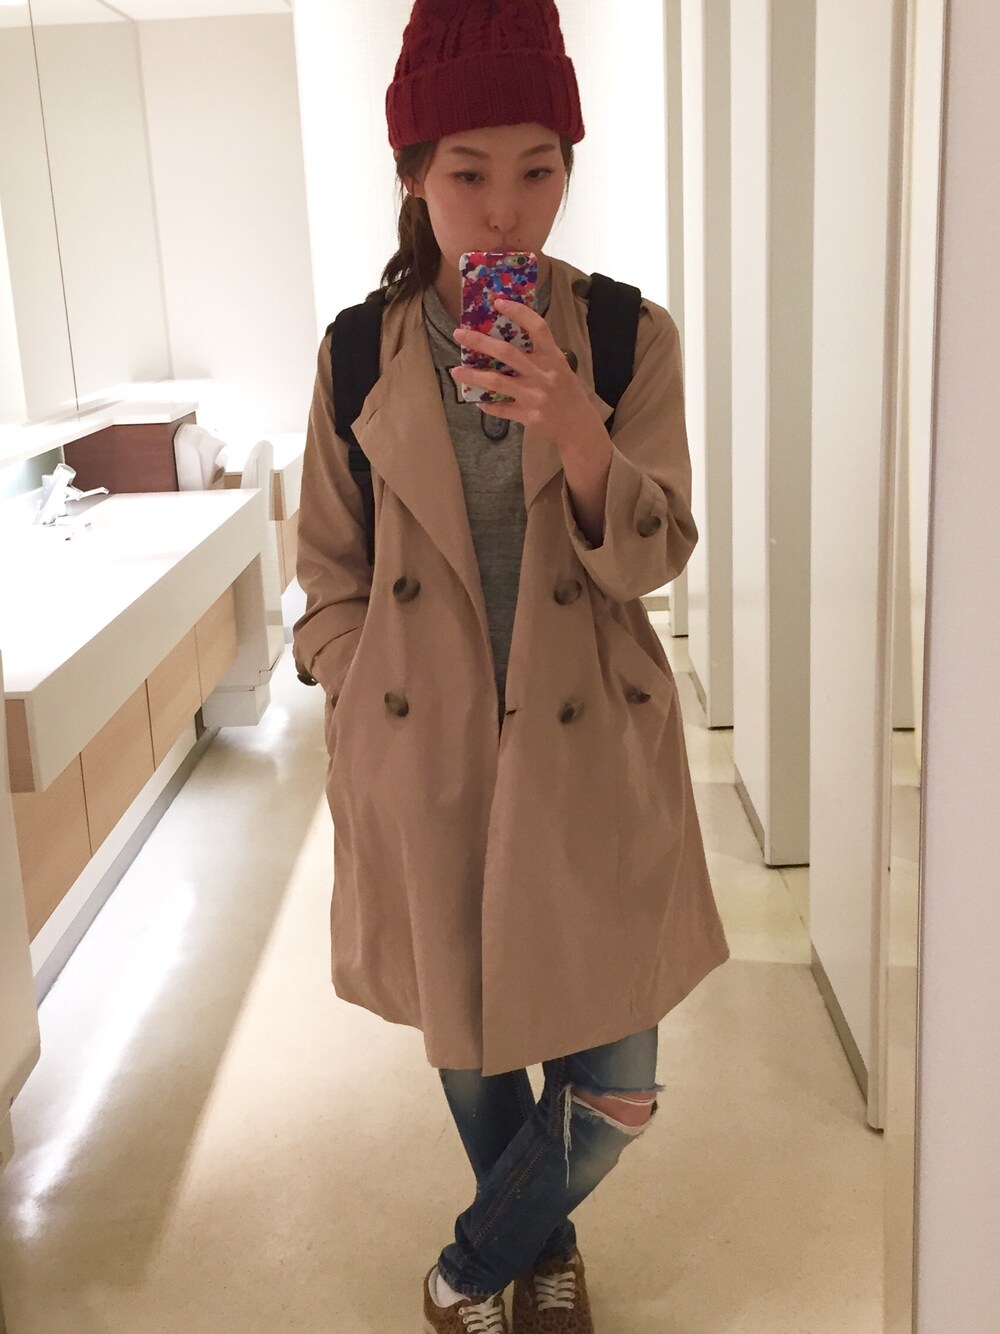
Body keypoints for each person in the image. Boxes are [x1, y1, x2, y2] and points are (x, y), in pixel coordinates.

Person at [292, 1, 730, 1329]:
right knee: (473, 1045)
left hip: (588, 755)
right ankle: (542, 1257)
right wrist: (364, 697)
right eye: (468, 173)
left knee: (618, 1084)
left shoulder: (626, 336)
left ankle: (471, 1266)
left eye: (539, 170)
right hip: (425, 755)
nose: (504, 212)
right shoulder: (355, 354)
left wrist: (578, 428)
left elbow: (656, 556)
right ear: (413, 176)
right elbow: (328, 574)